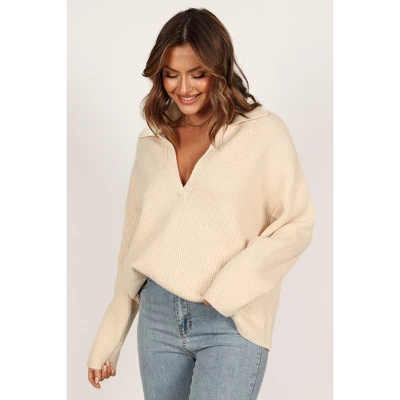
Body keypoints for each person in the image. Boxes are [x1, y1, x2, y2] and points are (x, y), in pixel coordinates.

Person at [87, 7, 315, 399]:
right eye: (171, 74)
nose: (183, 87)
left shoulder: (262, 132)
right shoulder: (153, 140)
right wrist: (111, 334)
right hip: (157, 318)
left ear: (219, 70)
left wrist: (229, 288)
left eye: (198, 73)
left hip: (230, 318)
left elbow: (296, 223)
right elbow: (133, 244)